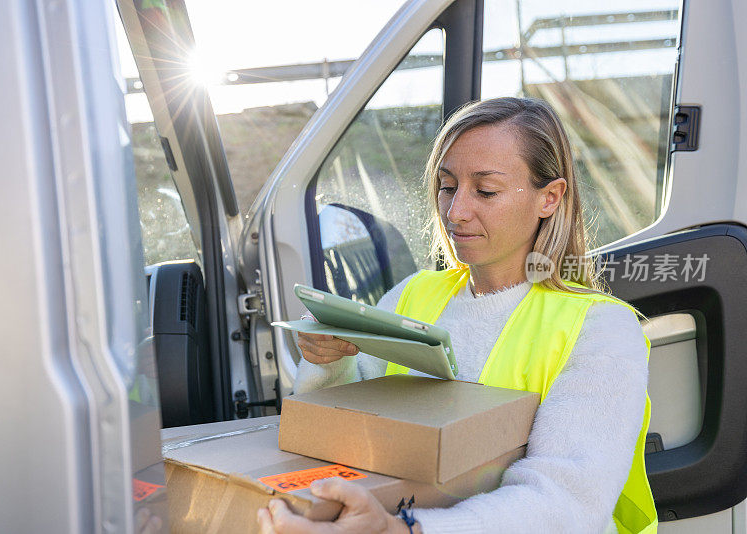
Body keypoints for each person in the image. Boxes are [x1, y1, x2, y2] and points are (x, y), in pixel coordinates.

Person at [257, 97, 655, 534]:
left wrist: (404, 529)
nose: (455, 212)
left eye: (486, 191)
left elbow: (564, 503)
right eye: (448, 186)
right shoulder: (414, 294)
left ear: (550, 198)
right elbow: (338, 428)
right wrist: (328, 361)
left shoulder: (601, 329)